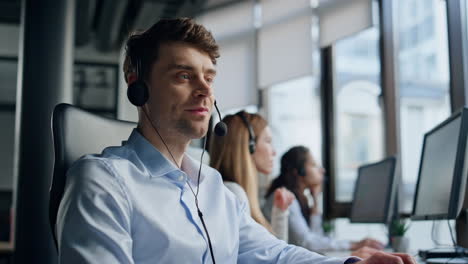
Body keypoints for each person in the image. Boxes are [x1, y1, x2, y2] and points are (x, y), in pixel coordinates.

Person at [56, 17, 416, 264]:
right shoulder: (103, 181)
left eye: (209, 78)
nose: (205, 91)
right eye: (184, 75)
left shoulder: (214, 188)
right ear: (138, 85)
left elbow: (273, 254)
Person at [263, 146, 384, 254]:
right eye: (314, 165)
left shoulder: (298, 198)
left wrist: (315, 200)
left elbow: (315, 237)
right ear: (299, 171)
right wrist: (354, 244)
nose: (322, 170)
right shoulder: (283, 197)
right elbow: (307, 243)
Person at [209, 111, 295, 241]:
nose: (274, 152)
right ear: (250, 146)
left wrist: (279, 212)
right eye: (268, 141)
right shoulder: (233, 193)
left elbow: (272, 253)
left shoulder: (239, 193)